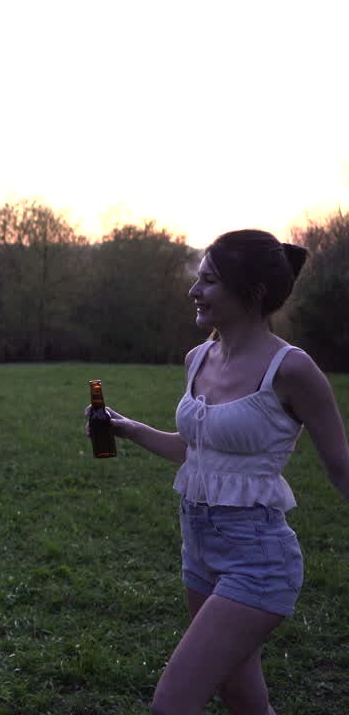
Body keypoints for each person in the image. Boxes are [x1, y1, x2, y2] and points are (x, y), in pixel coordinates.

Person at [92, 229, 349, 714]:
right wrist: (125, 428)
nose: (195, 291)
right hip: (199, 551)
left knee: (170, 704)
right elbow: (194, 452)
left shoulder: (292, 369)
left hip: (258, 558)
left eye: (209, 281)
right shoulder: (197, 358)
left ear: (252, 292)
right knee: (242, 699)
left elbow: (341, 467)